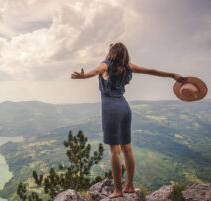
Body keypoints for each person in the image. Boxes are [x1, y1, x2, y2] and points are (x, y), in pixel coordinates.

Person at [71, 42, 187, 199]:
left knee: (115, 151)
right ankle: (130, 186)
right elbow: (151, 71)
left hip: (111, 109)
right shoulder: (128, 66)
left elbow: (98, 70)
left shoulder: (106, 64)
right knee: (127, 149)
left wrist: (84, 76)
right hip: (125, 108)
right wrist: (172, 75)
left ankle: (118, 190)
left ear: (111, 53)